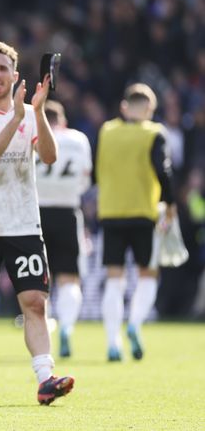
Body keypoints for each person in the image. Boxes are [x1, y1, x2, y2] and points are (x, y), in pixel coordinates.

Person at [0, 42, 74, 406]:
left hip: (24, 223)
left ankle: (45, 378)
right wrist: (18, 118)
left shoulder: (28, 113)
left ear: (14, 75)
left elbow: (51, 157)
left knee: (35, 302)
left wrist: (36, 112)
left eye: (2, 68)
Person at [96, 83, 176, 362]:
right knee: (148, 274)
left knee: (114, 279)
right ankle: (134, 323)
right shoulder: (154, 133)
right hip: (144, 212)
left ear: (125, 106)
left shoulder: (106, 131)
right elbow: (163, 170)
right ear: (150, 109)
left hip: (111, 213)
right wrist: (171, 203)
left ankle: (112, 343)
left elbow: (97, 171)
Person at [36, 100, 91, 359]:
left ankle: (44, 330)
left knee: (39, 280)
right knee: (70, 277)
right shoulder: (79, 139)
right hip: (68, 211)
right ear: (64, 121)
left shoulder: (33, 135)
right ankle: (67, 328)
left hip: (35, 213)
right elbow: (85, 179)